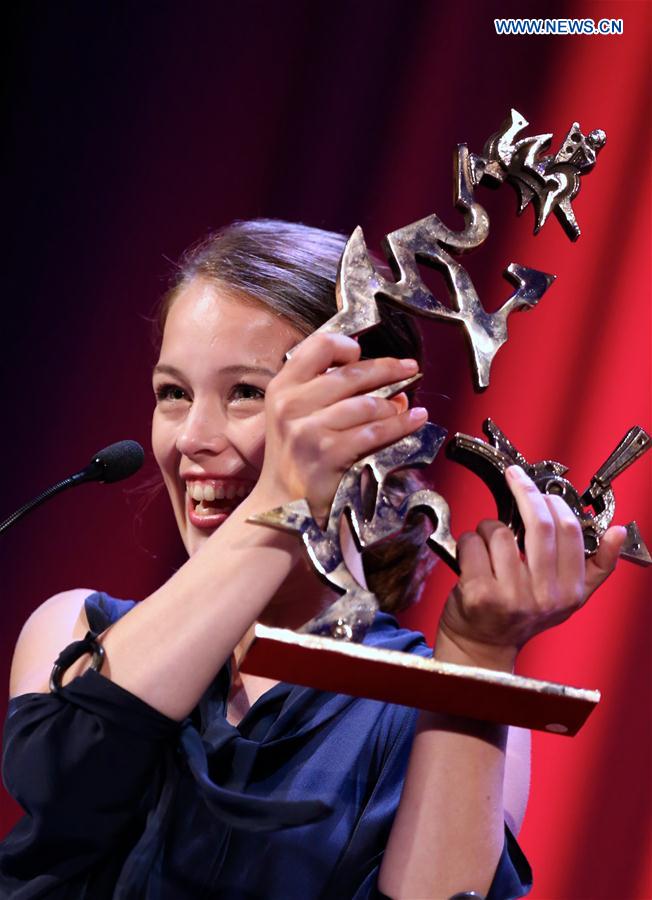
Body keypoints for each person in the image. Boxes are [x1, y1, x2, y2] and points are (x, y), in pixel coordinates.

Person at [0, 220, 625, 899]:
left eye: (248, 393)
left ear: (377, 420)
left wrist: (479, 653)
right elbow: (58, 781)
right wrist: (280, 502)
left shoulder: (432, 702)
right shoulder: (74, 631)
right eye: (173, 394)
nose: (192, 439)